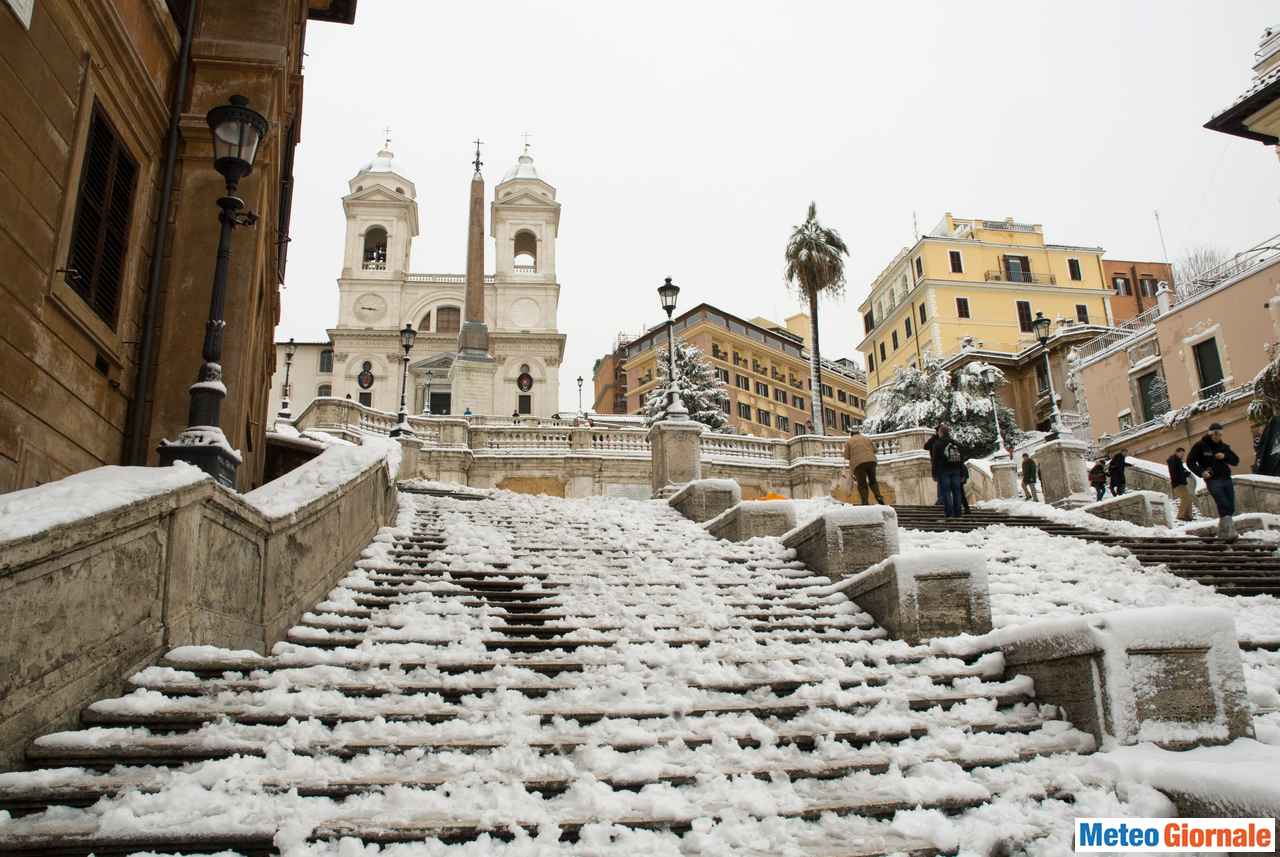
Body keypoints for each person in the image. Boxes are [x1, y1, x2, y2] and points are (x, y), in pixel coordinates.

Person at [1188, 422, 1241, 541]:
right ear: (1211, 434)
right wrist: (1201, 472)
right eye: (1216, 434)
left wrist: (1225, 456)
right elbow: (1190, 461)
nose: (1218, 437)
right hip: (1213, 480)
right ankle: (1229, 532)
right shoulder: (1200, 446)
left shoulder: (1224, 447)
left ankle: (1223, 532)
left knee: (1230, 506)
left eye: (1220, 434)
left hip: (1226, 478)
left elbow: (1236, 461)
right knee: (1223, 504)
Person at [844, 426, 886, 506]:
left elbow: (846, 456)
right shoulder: (866, 438)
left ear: (851, 433)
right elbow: (875, 450)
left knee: (862, 484)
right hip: (871, 461)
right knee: (873, 481)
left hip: (858, 464)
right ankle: (879, 497)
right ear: (859, 432)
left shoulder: (849, 441)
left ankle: (865, 502)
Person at [931, 424, 967, 518]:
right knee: (957, 492)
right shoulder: (956, 443)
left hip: (943, 471)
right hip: (956, 470)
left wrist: (934, 474)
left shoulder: (938, 444)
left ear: (941, 433)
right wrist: (962, 473)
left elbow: (935, 460)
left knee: (946, 492)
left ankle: (949, 513)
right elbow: (962, 459)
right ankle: (958, 513)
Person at [1167, 447, 1195, 523]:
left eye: (1183, 454)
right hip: (1178, 483)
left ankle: (1188, 516)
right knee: (1185, 498)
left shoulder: (1177, 461)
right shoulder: (1173, 460)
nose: (1182, 455)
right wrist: (1185, 473)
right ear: (1177, 452)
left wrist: (1186, 472)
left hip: (1181, 483)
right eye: (1181, 454)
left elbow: (1182, 469)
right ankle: (1181, 515)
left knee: (1188, 498)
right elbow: (1177, 472)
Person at [923, 425, 945, 506]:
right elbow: (925, 447)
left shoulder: (935, 440)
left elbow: (926, 447)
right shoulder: (937, 439)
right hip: (944, 464)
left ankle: (941, 499)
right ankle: (942, 499)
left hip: (939, 464)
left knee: (941, 482)